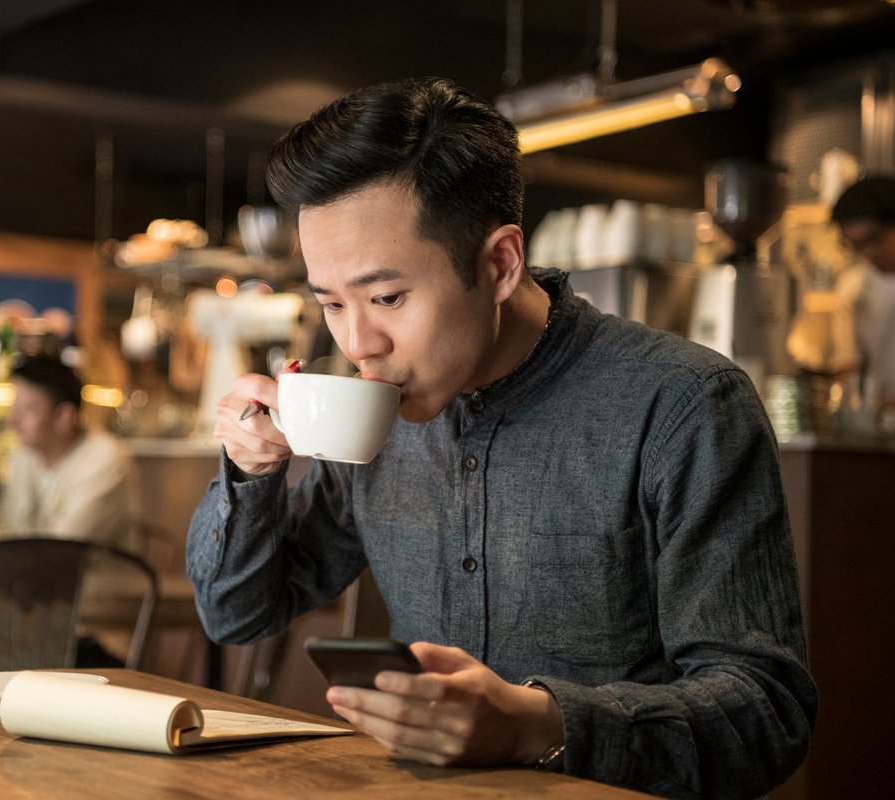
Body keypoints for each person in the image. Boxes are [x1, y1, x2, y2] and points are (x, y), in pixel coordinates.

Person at [186, 78, 816, 799]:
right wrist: (249, 472)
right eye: (331, 302)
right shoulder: (373, 411)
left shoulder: (682, 406)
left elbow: (767, 714)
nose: (359, 342)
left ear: (499, 264)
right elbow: (238, 611)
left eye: (386, 298)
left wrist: (540, 724)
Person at [1, 354, 132, 548]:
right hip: (33, 575)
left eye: (26, 409)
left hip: (100, 577)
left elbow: (65, 547)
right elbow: (12, 535)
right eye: (13, 408)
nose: (13, 421)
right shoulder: (25, 454)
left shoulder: (105, 459)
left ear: (64, 416)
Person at [831, 175, 895, 425]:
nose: (867, 254)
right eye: (855, 245)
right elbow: (846, 366)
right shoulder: (853, 287)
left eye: (873, 239)